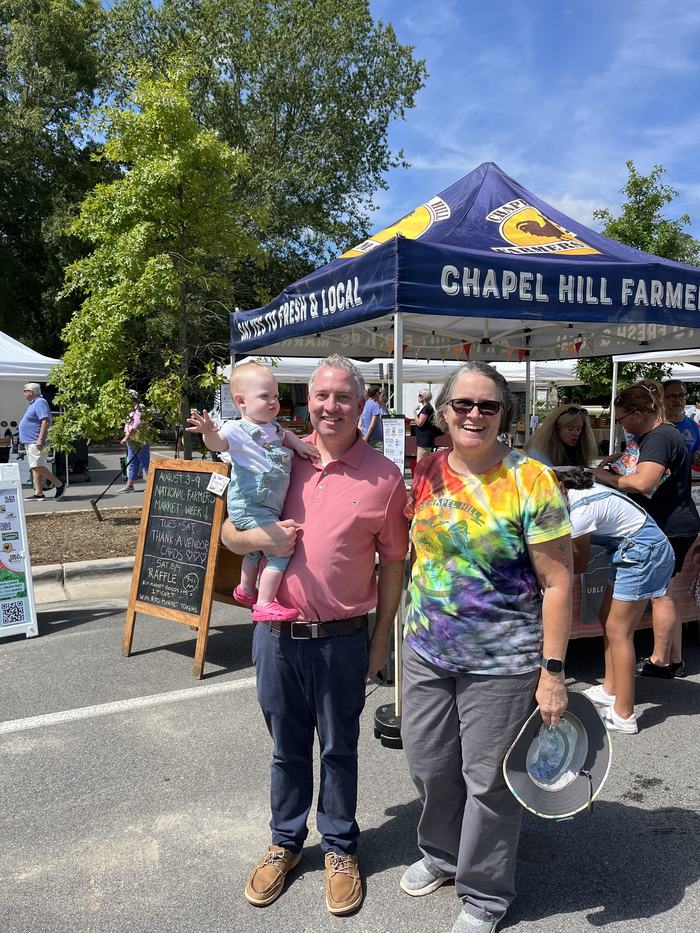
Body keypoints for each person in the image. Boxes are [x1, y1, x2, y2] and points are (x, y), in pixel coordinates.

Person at [221, 355, 408, 916]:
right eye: (321, 396)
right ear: (310, 400)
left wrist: (380, 644)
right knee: (285, 748)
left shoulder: (384, 477)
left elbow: (394, 566)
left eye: (342, 397)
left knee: (340, 748)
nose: (330, 407)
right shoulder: (274, 450)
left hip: (344, 638)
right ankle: (284, 841)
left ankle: (341, 847)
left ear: (361, 400)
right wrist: (260, 535)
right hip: (275, 635)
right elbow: (229, 534)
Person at [399, 361, 572, 933]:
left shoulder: (532, 480)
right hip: (426, 651)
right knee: (428, 766)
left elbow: (558, 582)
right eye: (463, 405)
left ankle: (483, 895)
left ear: (505, 414)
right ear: (444, 411)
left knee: (488, 782)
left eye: (487, 406)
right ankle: (443, 855)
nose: (474, 415)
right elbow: (418, 554)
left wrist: (553, 671)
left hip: (502, 662)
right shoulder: (426, 470)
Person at [187, 362, 318, 622]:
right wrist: (208, 433)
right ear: (241, 401)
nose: (273, 402)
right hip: (250, 505)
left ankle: (246, 589)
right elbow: (218, 442)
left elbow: (287, 436)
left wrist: (299, 446)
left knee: (255, 550)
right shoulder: (235, 430)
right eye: (264, 396)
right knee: (280, 550)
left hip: (267, 505)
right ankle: (264, 603)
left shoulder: (275, 428)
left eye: (275, 396)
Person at [592, 380, 700, 678]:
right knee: (664, 593)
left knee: (660, 594)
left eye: (622, 419)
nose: (622, 426)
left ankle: (661, 660)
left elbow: (643, 482)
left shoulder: (659, 437)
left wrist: (604, 477)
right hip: (670, 522)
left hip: (669, 525)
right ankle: (672, 658)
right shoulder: (658, 435)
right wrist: (615, 467)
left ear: (638, 413)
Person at [559, 467, 674, 734]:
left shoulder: (580, 512)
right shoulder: (579, 494)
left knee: (619, 631)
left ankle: (624, 714)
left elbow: (578, 563)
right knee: (605, 616)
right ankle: (612, 688)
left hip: (643, 553)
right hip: (634, 550)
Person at [19, 383, 65, 502]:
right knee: (35, 467)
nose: (23, 393)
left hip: (36, 440)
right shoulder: (34, 403)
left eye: (25, 391)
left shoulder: (40, 402)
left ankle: (59, 484)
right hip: (30, 440)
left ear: (31, 392)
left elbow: (45, 421)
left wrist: (40, 439)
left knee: (37, 465)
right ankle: (38, 493)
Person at [524, 403, 598, 467]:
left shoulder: (577, 451)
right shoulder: (538, 453)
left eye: (578, 429)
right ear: (556, 428)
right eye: (570, 429)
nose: (575, 433)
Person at [119, 391, 151, 494]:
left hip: (139, 441)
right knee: (132, 463)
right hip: (133, 441)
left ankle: (153, 485)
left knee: (145, 463)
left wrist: (126, 437)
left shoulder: (139, 407)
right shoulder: (131, 409)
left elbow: (137, 424)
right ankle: (130, 485)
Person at [662, 380, 700, 461]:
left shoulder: (693, 425)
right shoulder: (651, 425)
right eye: (672, 396)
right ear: (662, 399)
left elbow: (694, 453)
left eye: (681, 395)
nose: (678, 400)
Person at [413, 388, 439, 461]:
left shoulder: (426, 408)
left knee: (420, 465)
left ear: (424, 397)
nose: (418, 396)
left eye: (420, 395)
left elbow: (419, 423)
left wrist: (414, 411)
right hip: (425, 440)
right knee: (425, 463)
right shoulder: (428, 407)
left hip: (424, 441)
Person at [359, 383, 384, 450]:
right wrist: (366, 439)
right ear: (376, 393)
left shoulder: (364, 404)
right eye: (379, 393)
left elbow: (360, 424)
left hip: (364, 437)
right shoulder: (375, 405)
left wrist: (364, 437)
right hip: (375, 440)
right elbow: (372, 425)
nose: (380, 395)